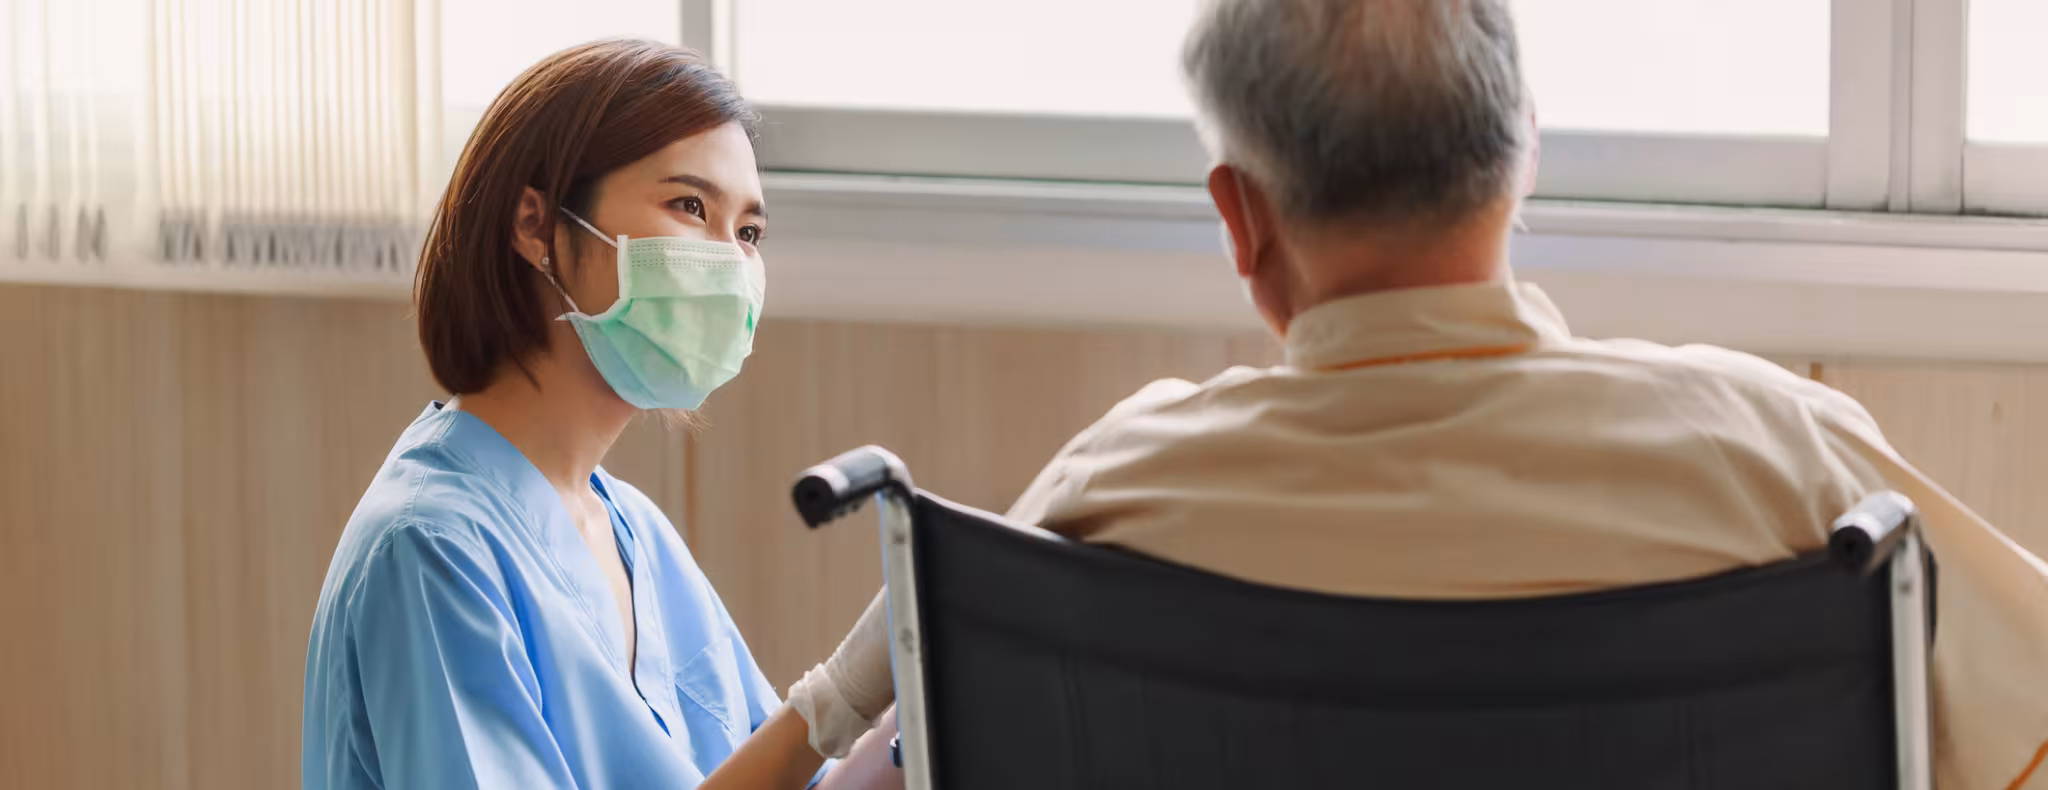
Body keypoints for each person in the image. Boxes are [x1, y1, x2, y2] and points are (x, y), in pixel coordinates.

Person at [1006, 1, 2048, 787]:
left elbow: (865, 737)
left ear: (1239, 217)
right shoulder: (1777, 458)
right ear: (1520, 158)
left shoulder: (1114, 483)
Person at [301, 40, 900, 790]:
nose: (730, 265)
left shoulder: (635, 535)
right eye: (690, 206)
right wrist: (831, 700)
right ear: (535, 225)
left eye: (748, 234)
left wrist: (903, 691)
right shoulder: (429, 550)